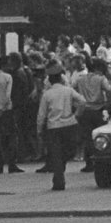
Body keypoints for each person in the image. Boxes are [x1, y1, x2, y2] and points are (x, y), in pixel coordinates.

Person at [36, 59, 85, 191]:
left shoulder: (47, 94)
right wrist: (76, 115)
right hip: (69, 125)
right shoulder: (68, 91)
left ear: (50, 79)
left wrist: (39, 129)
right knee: (67, 152)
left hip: (53, 127)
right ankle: (59, 174)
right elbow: (82, 101)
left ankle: (58, 178)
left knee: (56, 154)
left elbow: (41, 115)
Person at [76, 58, 111, 172]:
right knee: (99, 136)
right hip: (98, 110)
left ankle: (89, 163)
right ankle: (100, 161)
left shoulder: (81, 79)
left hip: (85, 110)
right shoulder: (101, 79)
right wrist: (109, 103)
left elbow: (72, 88)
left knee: (87, 137)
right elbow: (110, 90)